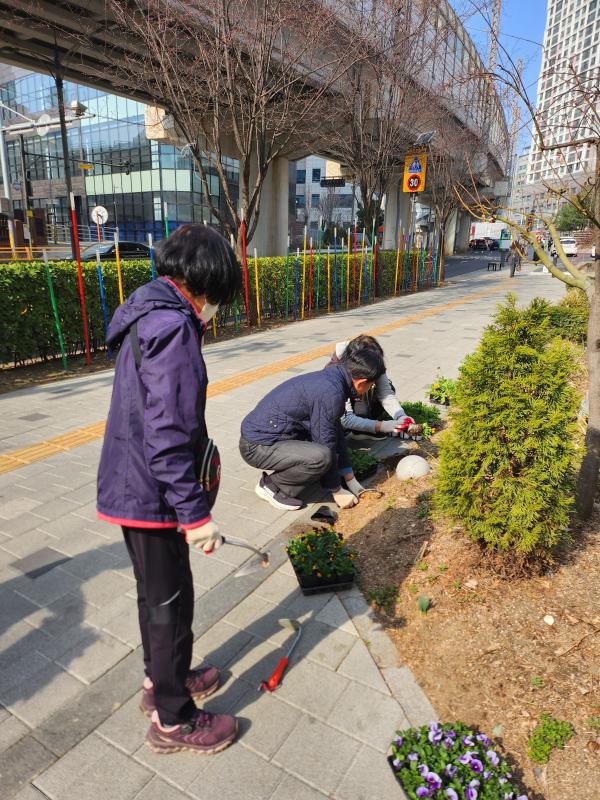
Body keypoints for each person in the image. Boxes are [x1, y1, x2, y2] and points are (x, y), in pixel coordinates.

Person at [96, 224, 241, 756]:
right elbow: (169, 432)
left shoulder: (148, 312)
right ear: (205, 283)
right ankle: (174, 720)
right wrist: (195, 514)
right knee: (169, 604)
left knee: (157, 597)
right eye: (218, 297)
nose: (215, 309)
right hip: (152, 492)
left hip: (134, 484)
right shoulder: (174, 328)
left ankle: (164, 681)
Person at [239, 345, 386, 510]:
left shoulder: (335, 378)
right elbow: (326, 443)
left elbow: (334, 431)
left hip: (271, 435)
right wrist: (337, 490)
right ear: (361, 382)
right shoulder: (331, 392)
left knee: (330, 442)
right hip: (257, 446)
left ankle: (293, 478)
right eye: (371, 386)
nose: (370, 389)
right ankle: (273, 486)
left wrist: (349, 477)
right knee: (321, 457)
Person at [331, 335, 419, 441]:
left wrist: (401, 416)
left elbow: (385, 392)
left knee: (388, 388)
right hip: (338, 417)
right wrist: (381, 426)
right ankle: (359, 430)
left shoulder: (374, 359)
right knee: (361, 401)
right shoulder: (336, 372)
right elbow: (346, 418)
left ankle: (366, 423)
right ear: (359, 360)